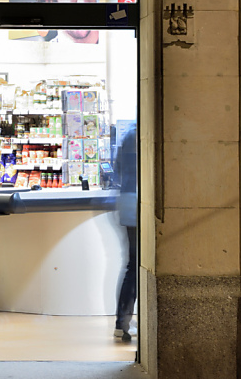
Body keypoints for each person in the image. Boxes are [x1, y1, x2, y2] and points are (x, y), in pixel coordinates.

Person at [113, 122, 137, 342]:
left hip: (128, 202)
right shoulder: (146, 133)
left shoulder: (129, 134)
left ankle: (122, 323)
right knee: (140, 265)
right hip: (142, 202)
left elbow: (117, 167)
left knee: (132, 265)